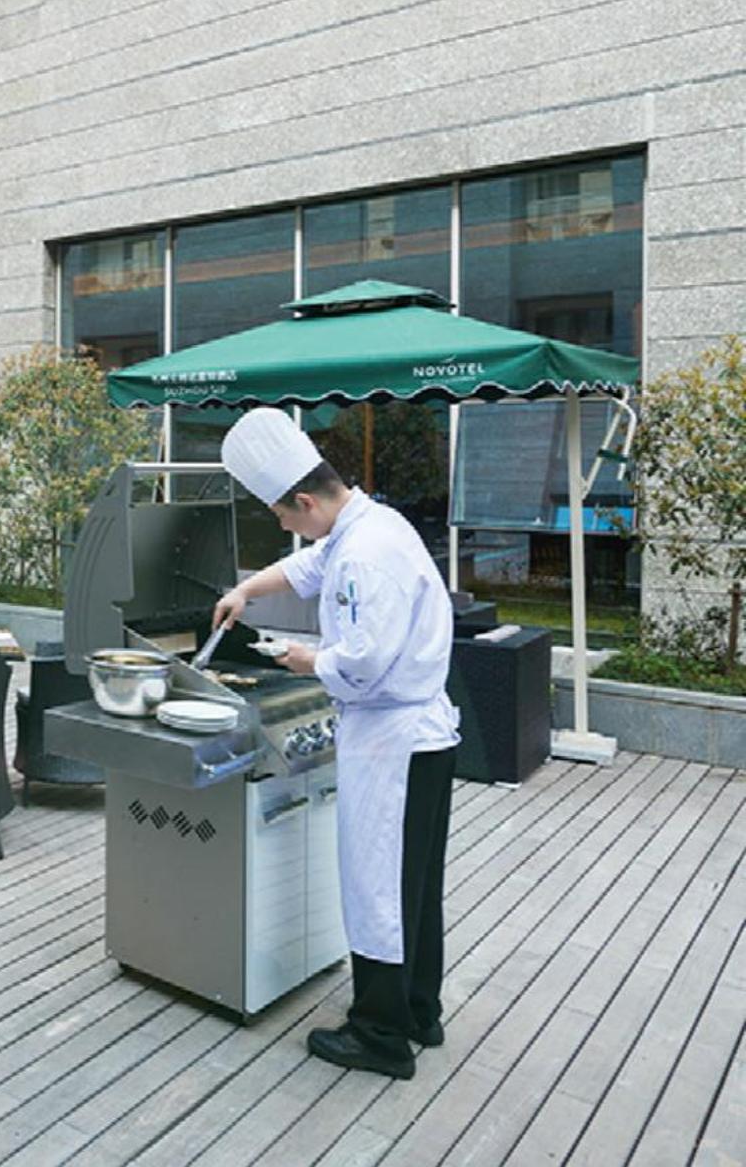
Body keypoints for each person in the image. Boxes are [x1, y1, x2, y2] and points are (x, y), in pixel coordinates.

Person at [211, 406, 458, 1081]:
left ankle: (379, 1035)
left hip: (393, 742)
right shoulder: (370, 524)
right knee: (413, 887)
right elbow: (309, 565)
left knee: (376, 886)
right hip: (421, 739)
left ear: (306, 500)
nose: (283, 529)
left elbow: (362, 663)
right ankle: (419, 1011)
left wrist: (300, 658)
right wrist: (246, 589)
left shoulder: (365, 556)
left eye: (282, 516)